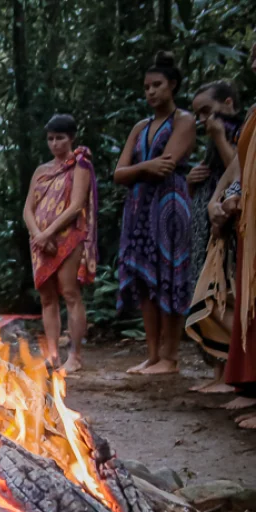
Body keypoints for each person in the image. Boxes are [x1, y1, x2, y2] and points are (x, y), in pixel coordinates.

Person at [114, 51, 196, 375]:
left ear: (172, 85)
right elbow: (118, 173)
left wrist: (140, 168)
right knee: (145, 279)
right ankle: (151, 355)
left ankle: (170, 356)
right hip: (138, 209)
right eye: (146, 87)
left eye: (157, 85)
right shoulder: (140, 126)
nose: (150, 92)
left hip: (170, 207)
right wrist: (144, 166)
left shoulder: (184, 120)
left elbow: (168, 164)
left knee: (170, 275)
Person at [23, 114, 99, 373]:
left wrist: (49, 234)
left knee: (69, 293)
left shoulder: (80, 165)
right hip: (40, 242)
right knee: (47, 298)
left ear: (72, 137)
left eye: (60, 138)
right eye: (51, 138)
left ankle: (75, 356)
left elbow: (76, 205)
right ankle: (53, 355)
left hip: (68, 237)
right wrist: (37, 235)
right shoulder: (42, 170)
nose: (55, 143)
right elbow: (27, 210)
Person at [185, 81, 243, 393]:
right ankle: (219, 373)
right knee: (207, 294)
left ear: (229, 103)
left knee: (224, 295)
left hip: (231, 223)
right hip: (208, 225)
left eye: (207, 111)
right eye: (198, 114)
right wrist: (193, 181)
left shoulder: (236, 129)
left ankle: (234, 377)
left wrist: (220, 136)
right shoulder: (212, 137)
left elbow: (241, 166)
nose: (202, 119)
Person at [216, 39, 256, 428]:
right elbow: (243, 166)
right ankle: (250, 388)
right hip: (250, 219)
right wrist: (228, 195)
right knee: (249, 304)